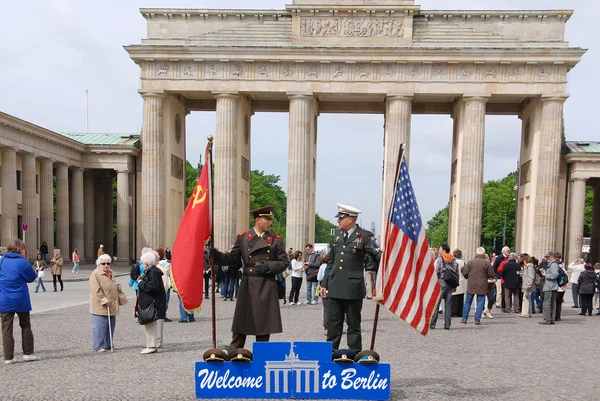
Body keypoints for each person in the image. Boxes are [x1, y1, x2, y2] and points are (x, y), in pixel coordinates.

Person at [211, 205, 288, 349]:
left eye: (271, 219)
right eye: (267, 219)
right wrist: (216, 255)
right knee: (241, 323)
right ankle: (236, 353)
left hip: (266, 284)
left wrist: (269, 266)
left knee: (264, 325)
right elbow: (232, 259)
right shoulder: (243, 238)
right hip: (247, 284)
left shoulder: (276, 240)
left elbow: (284, 262)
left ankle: (261, 355)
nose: (270, 222)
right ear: (258, 220)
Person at [320, 204, 378, 354]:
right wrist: (324, 283)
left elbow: (377, 255)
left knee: (353, 324)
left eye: (341, 218)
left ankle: (354, 351)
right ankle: (331, 352)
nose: (338, 221)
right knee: (333, 324)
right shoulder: (337, 235)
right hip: (335, 285)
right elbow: (331, 261)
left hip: (353, 287)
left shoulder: (364, 235)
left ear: (350, 219)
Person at [0, 239, 38, 364]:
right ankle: (27, 353)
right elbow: (32, 277)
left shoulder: (2, 261)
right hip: (21, 299)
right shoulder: (23, 262)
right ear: (20, 249)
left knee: (6, 328)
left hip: (5, 299)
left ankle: (9, 357)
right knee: (25, 325)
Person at [89, 254, 120, 352]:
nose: (106, 265)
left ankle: (108, 343)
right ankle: (98, 345)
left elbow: (113, 283)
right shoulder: (95, 274)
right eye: (103, 263)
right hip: (100, 305)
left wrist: (118, 286)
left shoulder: (111, 273)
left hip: (111, 304)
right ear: (99, 264)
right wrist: (103, 300)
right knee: (100, 326)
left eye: (108, 263)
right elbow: (96, 290)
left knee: (110, 325)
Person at [137, 252, 166, 354]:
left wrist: (141, 283)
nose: (141, 264)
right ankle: (150, 345)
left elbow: (152, 287)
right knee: (149, 325)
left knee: (150, 324)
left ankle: (152, 346)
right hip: (148, 302)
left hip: (151, 303)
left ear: (146, 263)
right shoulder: (150, 271)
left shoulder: (152, 272)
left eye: (142, 262)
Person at [461, 247, 495, 325]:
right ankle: (477, 319)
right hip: (482, 285)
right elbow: (492, 274)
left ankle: (464, 318)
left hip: (471, 284)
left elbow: (465, 273)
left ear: (476, 254)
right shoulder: (487, 263)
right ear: (483, 254)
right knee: (480, 302)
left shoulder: (470, 262)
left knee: (468, 302)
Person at [430, 244, 458, 330]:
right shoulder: (454, 260)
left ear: (444, 250)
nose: (439, 250)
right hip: (450, 284)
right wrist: (455, 285)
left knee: (436, 304)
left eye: (440, 249)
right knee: (448, 305)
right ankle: (447, 324)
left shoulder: (440, 259)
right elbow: (457, 273)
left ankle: (432, 324)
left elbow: (435, 271)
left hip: (441, 283)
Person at [539, 252, 560, 325]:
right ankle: (551, 319)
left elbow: (555, 275)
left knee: (547, 303)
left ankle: (547, 319)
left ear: (552, 257)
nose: (547, 258)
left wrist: (545, 275)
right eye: (546, 257)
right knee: (551, 303)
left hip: (550, 286)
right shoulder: (552, 264)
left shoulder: (553, 264)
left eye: (548, 257)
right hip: (551, 286)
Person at [363, 235, 380, 300]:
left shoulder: (367, 251)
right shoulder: (376, 249)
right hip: (375, 268)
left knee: (368, 282)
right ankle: (375, 293)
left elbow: (364, 259)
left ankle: (369, 295)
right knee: (374, 282)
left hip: (368, 268)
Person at [451, 249, 467, 317]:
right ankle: (460, 312)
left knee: (454, 297)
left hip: (455, 280)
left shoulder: (452, 262)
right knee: (461, 297)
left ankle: (454, 312)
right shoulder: (464, 262)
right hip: (462, 281)